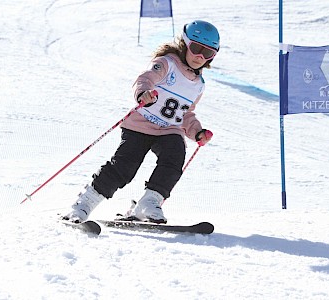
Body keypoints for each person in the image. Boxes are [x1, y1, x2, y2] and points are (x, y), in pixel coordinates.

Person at [63, 20, 220, 224]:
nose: (200, 56)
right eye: (196, 48)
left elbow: (186, 113)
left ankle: (149, 203)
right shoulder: (166, 63)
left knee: (174, 158)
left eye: (207, 53)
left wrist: (197, 132)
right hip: (141, 123)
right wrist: (143, 94)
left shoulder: (198, 85)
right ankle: (84, 204)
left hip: (169, 129)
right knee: (124, 168)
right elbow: (145, 79)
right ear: (185, 44)